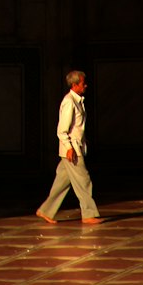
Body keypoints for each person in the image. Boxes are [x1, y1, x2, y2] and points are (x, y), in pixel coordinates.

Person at [35, 69, 103, 225]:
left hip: (75, 148)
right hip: (72, 150)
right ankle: (88, 213)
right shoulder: (69, 102)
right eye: (82, 83)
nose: (85, 85)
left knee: (62, 182)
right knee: (83, 180)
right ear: (74, 85)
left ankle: (45, 210)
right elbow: (62, 130)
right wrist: (69, 147)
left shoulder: (77, 101)